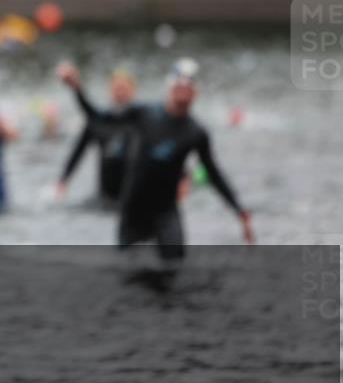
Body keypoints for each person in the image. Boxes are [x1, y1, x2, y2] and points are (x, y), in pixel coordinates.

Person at [56, 58, 254, 264]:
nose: (183, 91)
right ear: (170, 88)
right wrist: (76, 88)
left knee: (175, 268)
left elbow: (213, 173)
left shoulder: (196, 132)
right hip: (133, 208)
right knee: (126, 273)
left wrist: (239, 211)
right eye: (179, 86)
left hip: (165, 209)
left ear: (196, 93)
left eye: (189, 87)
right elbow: (96, 116)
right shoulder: (145, 113)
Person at [57, 68, 136, 204]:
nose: (121, 93)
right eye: (117, 89)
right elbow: (78, 152)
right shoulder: (99, 123)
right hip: (105, 196)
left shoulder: (141, 122)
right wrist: (64, 180)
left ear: (133, 91)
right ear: (110, 91)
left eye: (124, 89)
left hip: (133, 195)